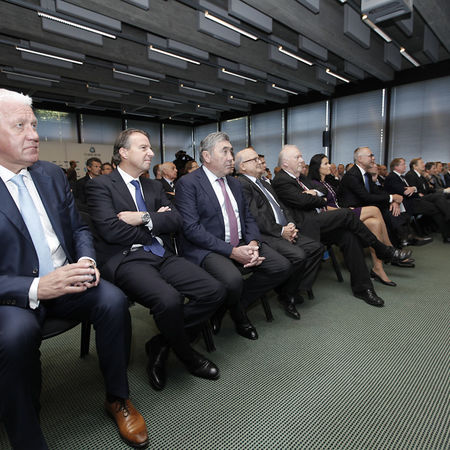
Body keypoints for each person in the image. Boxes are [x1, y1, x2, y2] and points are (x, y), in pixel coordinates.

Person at [0, 89, 148, 449]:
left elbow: (80, 229)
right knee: (14, 338)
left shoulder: (50, 174)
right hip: (15, 294)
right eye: (20, 126)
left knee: (113, 301)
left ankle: (117, 397)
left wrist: (85, 261)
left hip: (68, 279)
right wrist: (37, 288)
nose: (34, 134)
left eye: (34, 125)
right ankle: (26, 437)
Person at [86, 129, 225, 391]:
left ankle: (161, 343)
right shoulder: (101, 185)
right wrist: (155, 222)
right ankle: (187, 356)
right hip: (127, 258)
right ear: (123, 152)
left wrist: (143, 217)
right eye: (143, 148)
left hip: (161, 253)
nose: (151, 153)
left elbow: (176, 220)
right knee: (169, 300)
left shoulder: (153, 185)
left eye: (150, 148)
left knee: (214, 290)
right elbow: (110, 230)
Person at [176, 132, 291, 339]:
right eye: (225, 152)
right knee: (233, 280)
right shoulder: (188, 183)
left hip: (242, 243)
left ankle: (227, 305)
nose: (231, 157)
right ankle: (239, 315)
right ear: (207, 156)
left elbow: (248, 218)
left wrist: (253, 243)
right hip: (209, 248)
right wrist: (232, 252)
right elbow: (192, 229)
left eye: (231, 151)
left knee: (281, 266)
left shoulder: (235, 183)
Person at [272, 145, 411, 307]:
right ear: (285, 163)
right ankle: (383, 249)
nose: (302, 160)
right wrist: (317, 198)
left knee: (349, 236)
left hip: (320, 221)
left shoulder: (301, 178)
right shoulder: (281, 180)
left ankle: (363, 288)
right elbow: (303, 201)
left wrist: (314, 193)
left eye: (301, 156)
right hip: (305, 226)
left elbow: (322, 190)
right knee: (346, 214)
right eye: (297, 157)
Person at [236, 148, 323, 319]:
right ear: (243, 167)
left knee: (316, 248)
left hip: (283, 229)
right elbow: (255, 217)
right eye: (254, 160)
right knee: (298, 256)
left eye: (259, 158)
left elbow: (282, 207)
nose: (259, 162)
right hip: (266, 235)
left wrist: (290, 224)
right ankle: (287, 295)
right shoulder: (242, 184)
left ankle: (289, 290)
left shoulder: (265, 182)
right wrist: (281, 231)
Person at [309, 153, 397, 286]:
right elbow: (323, 207)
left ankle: (378, 268)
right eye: (326, 164)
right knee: (375, 210)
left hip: (342, 212)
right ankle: (390, 249)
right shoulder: (314, 184)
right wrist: (343, 211)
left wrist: (344, 208)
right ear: (317, 167)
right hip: (337, 217)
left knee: (375, 223)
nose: (330, 166)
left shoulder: (326, 182)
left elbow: (336, 201)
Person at [338, 147, 410, 248]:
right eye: (370, 156)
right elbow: (366, 197)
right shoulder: (352, 175)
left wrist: (392, 199)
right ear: (360, 159)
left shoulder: (365, 174)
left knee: (389, 208)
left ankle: (396, 243)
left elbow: (378, 191)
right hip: (352, 209)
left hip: (364, 205)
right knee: (385, 211)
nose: (373, 158)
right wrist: (391, 197)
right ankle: (394, 245)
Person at [384, 158, 449, 243]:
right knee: (437, 202)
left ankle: (447, 232)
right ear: (396, 167)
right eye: (403, 164)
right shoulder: (392, 177)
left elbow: (413, 190)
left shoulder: (401, 177)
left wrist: (413, 189)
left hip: (413, 200)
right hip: (408, 203)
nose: (405, 166)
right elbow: (406, 192)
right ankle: (447, 229)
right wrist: (415, 191)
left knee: (438, 202)